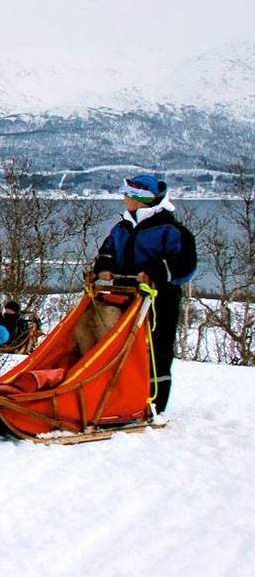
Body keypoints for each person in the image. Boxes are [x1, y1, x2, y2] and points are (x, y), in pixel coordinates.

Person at [85, 174, 198, 414]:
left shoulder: (171, 230)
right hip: (122, 297)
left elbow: (185, 266)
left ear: (141, 199)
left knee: (156, 350)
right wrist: (104, 269)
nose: (124, 198)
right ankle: (115, 397)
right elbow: (107, 252)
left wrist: (155, 274)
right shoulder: (122, 227)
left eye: (128, 194)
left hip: (159, 301)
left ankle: (153, 403)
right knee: (114, 347)